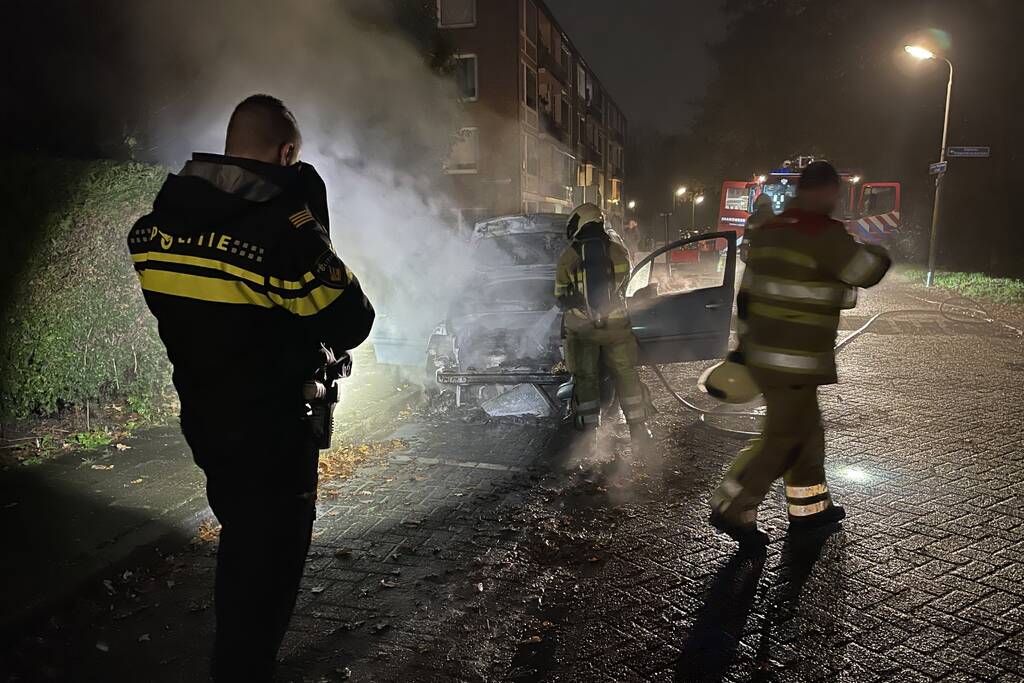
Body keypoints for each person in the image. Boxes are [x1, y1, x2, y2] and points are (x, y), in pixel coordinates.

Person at [127, 94, 374, 680]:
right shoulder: (282, 236)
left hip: (205, 418)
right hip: (272, 428)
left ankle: (239, 656)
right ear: (286, 154)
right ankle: (242, 667)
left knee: (242, 533)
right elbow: (351, 320)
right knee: (271, 556)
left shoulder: (155, 230)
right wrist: (307, 216)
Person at [705, 161, 890, 546]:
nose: (835, 200)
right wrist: (880, 252)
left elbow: (747, 296)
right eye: (835, 193)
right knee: (782, 439)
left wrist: (742, 349)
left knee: (807, 432)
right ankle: (732, 507)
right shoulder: (821, 233)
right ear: (825, 191)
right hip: (795, 360)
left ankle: (810, 509)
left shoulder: (771, 231)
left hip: (764, 355)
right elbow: (865, 270)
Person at [555, 203, 653, 447]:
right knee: (626, 373)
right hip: (616, 327)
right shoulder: (618, 251)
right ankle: (639, 430)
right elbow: (624, 285)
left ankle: (589, 439)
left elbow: (560, 295)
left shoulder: (569, 256)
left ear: (579, 222)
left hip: (583, 330)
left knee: (586, 378)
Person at [739, 192, 776, 262]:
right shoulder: (776, 219)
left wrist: (743, 252)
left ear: (758, 204)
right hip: (772, 257)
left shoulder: (752, 219)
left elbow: (746, 238)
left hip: (755, 255)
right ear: (770, 204)